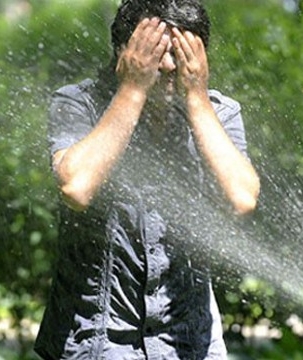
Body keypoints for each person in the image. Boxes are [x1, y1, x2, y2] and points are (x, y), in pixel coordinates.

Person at [34, 0, 260, 359]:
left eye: (180, 53)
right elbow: (76, 187)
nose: (169, 65)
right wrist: (133, 88)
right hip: (95, 345)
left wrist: (197, 95)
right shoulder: (79, 103)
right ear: (123, 51)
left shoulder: (219, 113)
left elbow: (242, 198)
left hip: (190, 345)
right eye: (157, 52)